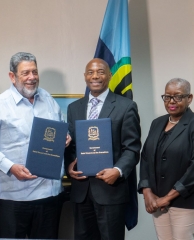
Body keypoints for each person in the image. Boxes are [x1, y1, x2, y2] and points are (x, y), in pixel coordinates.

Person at [0, 52, 70, 239]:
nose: (32, 77)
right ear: (12, 76)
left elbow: (59, 129)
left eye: (34, 72)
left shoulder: (48, 100)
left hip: (49, 195)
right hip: (13, 198)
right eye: (25, 73)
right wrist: (10, 167)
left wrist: (64, 137)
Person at [64, 58, 141, 240]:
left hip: (111, 190)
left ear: (109, 75)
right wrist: (69, 167)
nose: (95, 76)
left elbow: (132, 148)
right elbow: (71, 145)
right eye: (90, 72)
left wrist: (117, 170)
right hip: (81, 191)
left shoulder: (126, 106)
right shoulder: (74, 108)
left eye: (100, 72)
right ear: (85, 77)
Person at [138, 78, 194, 239]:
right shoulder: (157, 123)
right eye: (167, 96)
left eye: (178, 96)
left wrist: (168, 198)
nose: (171, 101)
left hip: (185, 201)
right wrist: (147, 192)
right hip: (156, 200)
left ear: (189, 98)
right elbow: (146, 157)